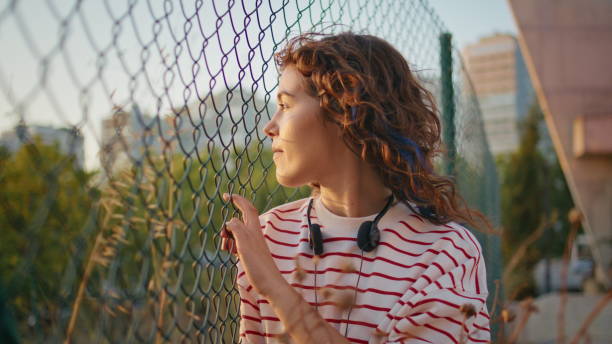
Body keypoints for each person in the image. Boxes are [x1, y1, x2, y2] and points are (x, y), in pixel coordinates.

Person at [221, 31, 491, 344]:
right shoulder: (268, 236)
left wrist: (273, 285)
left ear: (344, 110)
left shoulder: (445, 253)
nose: (270, 127)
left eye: (286, 104)